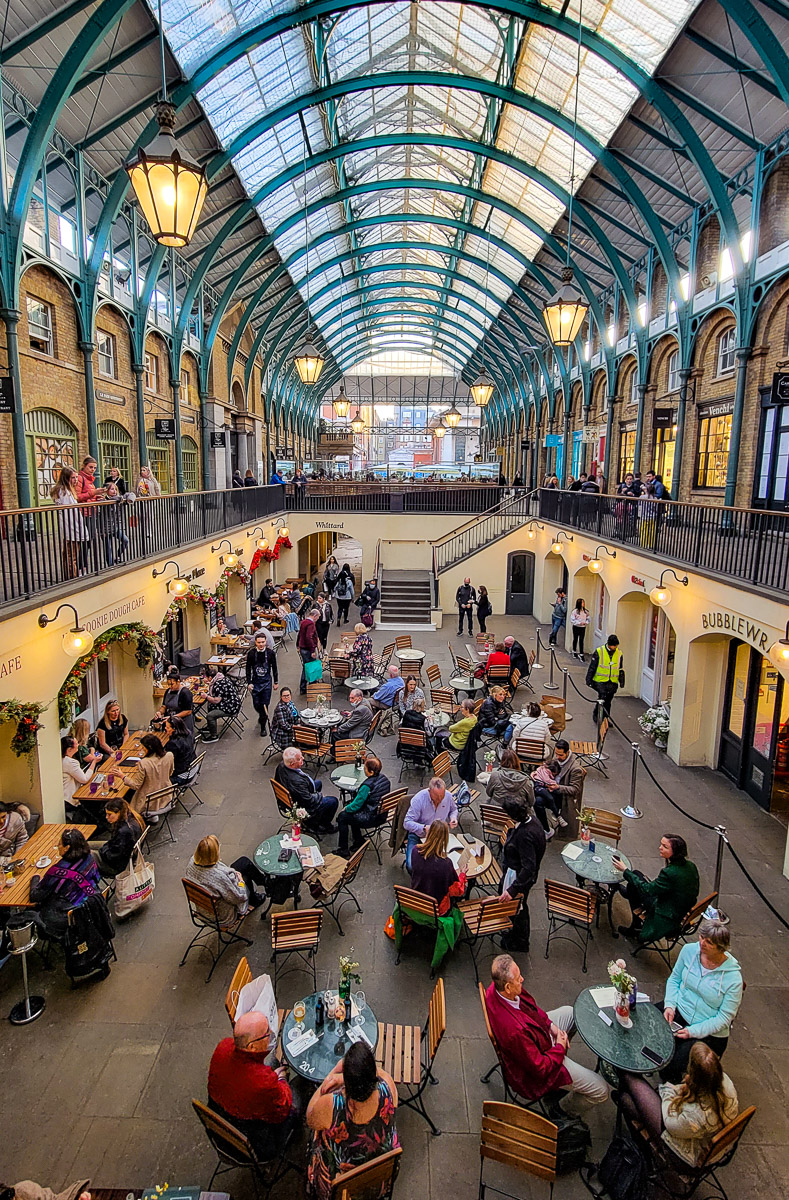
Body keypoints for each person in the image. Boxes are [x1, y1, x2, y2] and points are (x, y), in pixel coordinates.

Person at [485, 954, 609, 1106]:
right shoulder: (515, 1032)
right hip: (538, 1065)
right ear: (508, 987)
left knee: (572, 1013)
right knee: (601, 1089)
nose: (522, 979)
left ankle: (561, 1065)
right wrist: (559, 1047)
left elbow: (533, 1009)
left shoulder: (497, 989)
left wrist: (551, 1025)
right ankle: (564, 1110)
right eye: (518, 979)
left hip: (536, 1034)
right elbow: (539, 1068)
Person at [619, 1042, 738, 1168]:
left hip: (684, 1157)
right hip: (705, 1140)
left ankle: (643, 1156)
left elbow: (669, 1122)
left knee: (627, 1091)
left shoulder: (694, 1115)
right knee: (629, 1098)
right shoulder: (725, 1082)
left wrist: (667, 1090)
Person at [306, 1042, 399, 1200]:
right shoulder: (388, 1088)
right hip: (379, 1178)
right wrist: (353, 1076)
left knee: (316, 1133)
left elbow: (310, 1117)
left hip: (341, 1187)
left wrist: (333, 1074)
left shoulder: (332, 1106)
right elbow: (382, 1077)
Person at [657, 921, 743, 1086]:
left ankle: (668, 1088)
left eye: (709, 942)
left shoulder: (733, 979)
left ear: (721, 947)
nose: (702, 943)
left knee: (673, 1062)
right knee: (647, 1023)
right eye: (702, 937)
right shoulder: (689, 950)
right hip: (680, 1010)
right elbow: (674, 979)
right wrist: (669, 1005)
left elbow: (724, 1017)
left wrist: (692, 1032)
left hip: (709, 1031)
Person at [208, 1010, 297, 1159]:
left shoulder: (222, 1047)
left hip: (220, 1128)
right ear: (252, 1047)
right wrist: (280, 1080)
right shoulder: (263, 1082)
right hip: (257, 1143)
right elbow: (281, 1112)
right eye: (266, 1034)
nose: (270, 1034)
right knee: (298, 1092)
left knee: (271, 1062)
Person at [613, 833, 700, 943]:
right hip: (680, 908)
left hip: (666, 913)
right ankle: (628, 894)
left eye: (665, 846)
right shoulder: (690, 866)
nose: (660, 848)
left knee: (634, 885)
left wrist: (625, 870)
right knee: (636, 875)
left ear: (675, 852)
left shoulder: (669, 873)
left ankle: (635, 926)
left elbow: (648, 889)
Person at [29, 828, 103, 939]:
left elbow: (35, 896)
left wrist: (35, 879)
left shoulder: (57, 872)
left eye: (59, 845)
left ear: (67, 848)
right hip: (93, 908)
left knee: (30, 912)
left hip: (67, 920)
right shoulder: (89, 859)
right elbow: (97, 878)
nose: (58, 847)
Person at [499, 797, 546, 952]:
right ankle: (516, 934)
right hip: (517, 873)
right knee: (518, 906)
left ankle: (520, 940)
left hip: (518, 876)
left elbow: (528, 866)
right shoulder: (533, 821)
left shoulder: (525, 835)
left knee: (518, 907)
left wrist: (513, 889)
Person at [185, 833, 267, 916]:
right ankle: (258, 895)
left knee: (242, 864)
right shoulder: (220, 876)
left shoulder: (192, 863)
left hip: (204, 909)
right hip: (224, 916)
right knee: (244, 872)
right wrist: (241, 881)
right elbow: (239, 897)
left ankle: (264, 883)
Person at [336, 757, 390, 856]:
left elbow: (356, 805)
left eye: (365, 768)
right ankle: (358, 840)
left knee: (342, 817)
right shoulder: (384, 779)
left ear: (371, 771)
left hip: (371, 817)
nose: (364, 770)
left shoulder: (367, 786)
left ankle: (343, 849)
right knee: (350, 816)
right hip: (382, 814)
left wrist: (346, 808)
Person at [275, 747, 338, 833]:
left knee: (318, 783)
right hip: (301, 804)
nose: (303, 758)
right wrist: (319, 796)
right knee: (333, 801)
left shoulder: (282, 766)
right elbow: (309, 800)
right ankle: (322, 826)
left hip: (292, 795)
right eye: (300, 758)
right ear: (292, 763)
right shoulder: (297, 781)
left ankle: (317, 817)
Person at [403, 777, 458, 870]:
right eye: (436, 797)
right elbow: (407, 823)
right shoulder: (419, 799)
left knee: (451, 862)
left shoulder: (448, 796)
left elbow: (454, 809)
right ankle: (418, 882)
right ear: (429, 791)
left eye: (442, 796)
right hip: (419, 836)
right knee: (411, 865)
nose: (440, 800)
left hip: (439, 835)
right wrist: (424, 828)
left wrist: (453, 818)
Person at [410, 819, 465, 907]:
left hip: (417, 900)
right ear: (445, 839)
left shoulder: (415, 851)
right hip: (437, 908)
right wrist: (462, 874)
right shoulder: (446, 864)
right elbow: (457, 891)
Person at [531, 740, 580, 837]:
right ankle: (545, 829)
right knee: (536, 800)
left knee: (537, 799)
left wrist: (558, 787)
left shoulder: (575, 768)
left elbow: (575, 789)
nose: (557, 757)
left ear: (567, 752)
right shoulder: (556, 758)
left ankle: (550, 823)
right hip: (549, 789)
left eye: (560, 755)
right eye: (556, 754)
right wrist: (536, 774)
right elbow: (546, 768)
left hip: (562, 796)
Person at [51, 466, 89, 579]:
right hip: (71, 527)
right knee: (70, 555)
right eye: (73, 478)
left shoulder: (67, 491)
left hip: (73, 527)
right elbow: (70, 512)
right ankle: (71, 577)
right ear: (66, 478)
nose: (76, 480)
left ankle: (70, 576)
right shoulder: (63, 492)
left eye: (76, 477)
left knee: (70, 555)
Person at [124, 734, 174, 816]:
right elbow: (170, 773)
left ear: (149, 749)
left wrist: (123, 777)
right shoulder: (169, 755)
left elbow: (136, 785)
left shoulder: (144, 763)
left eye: (144, 748)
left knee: (126, 795)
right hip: (165, 795)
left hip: (148, 801)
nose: (142, 750)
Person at [94, 797, 144, 878]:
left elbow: (113, 856)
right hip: (124, 856)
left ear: (119, 813)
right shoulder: (132, 818)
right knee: (86, 845)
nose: (106, 817)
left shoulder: (124, 832)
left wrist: (103, 850)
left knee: (86, 852)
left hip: (117, 866)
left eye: (109, 814)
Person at [245, 633, 279, 733]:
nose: (261, 644)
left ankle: (263, 727)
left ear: (266, 642)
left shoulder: (271, 653)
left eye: (263, 642)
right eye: (259, 642)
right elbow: (248, 669)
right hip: (255, 682)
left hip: (266, 682)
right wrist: (249, 682)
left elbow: (275, 668)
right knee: (256, 704)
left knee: (265, 704)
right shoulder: (251, 653)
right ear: (255, 642)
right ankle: (262, 715)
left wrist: (276, 682)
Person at [61, 734, 100, 820]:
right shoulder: (70, 762)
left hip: (63, 798)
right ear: (70, 749)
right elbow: (84, 779)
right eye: (76, 744)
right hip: (69, 799)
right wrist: (94, 762)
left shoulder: (61, 759)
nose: (78, 745)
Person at [586, 633, 624, 718]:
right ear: (609, 644)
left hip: (613, 681)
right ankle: (597, 715)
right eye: (613, 646)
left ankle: (606, 719)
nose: (614, 648)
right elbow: (593, 666)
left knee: (608, 701)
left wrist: (621, 681)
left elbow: (620, 668)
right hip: (600, 680)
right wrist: (588, 679)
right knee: (602, 697)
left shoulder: (619, 653)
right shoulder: (600, 651)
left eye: (615, 646)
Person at [201, 665, 243, 742]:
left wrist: (206, 696)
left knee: (210, 715)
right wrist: (210, 683)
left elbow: (216, 700)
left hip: (230, 707)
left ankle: (214, 736)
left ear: (210, 677)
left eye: (206, 677)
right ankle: (210, 726)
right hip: (233, 703)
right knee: (210, 704)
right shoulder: (221, 678)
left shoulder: (218, 685)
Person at [156, 669, 195, 736]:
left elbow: (188, 711)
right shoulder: (168, 691)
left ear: (178, 682)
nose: (170, 687)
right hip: (170, 723)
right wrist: (160, 712)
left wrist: (173, 717)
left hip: (183, 722)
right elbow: (164, 706)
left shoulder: (185, 693)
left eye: (172, 684)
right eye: (168, 684)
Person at [100, 483, 130, 565]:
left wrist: (129, 498)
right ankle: (110, 564)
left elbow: (129, 494)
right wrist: (102, 530)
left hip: (115, 527)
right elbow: (101, 516)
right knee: (108, 547)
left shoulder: (118, 500)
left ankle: (117, 556)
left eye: (115, 489)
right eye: (112, 489)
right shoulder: (104, 500)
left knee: (125, 540)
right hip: (105, 527)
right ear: (107, 491)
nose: (114, 491)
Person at [164, 715, 195, 784]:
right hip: (193, 768)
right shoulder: (188, 733)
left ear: (174, 729)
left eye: (168, 727)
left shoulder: (173, 744)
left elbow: (168, 762)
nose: (165, 729)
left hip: (183, 776)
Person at [296, 607, 320, 695]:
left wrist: (298, 645)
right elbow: (308, 637)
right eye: (318, 617)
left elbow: (300, 635)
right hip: (308, 649)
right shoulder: (311, 624)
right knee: (311, 667)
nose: (317, 619)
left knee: (306, 667)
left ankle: (303, 687)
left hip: (302, 648)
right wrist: (313, 650)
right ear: (315, 615)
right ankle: (311, 686)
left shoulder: (303, 622)